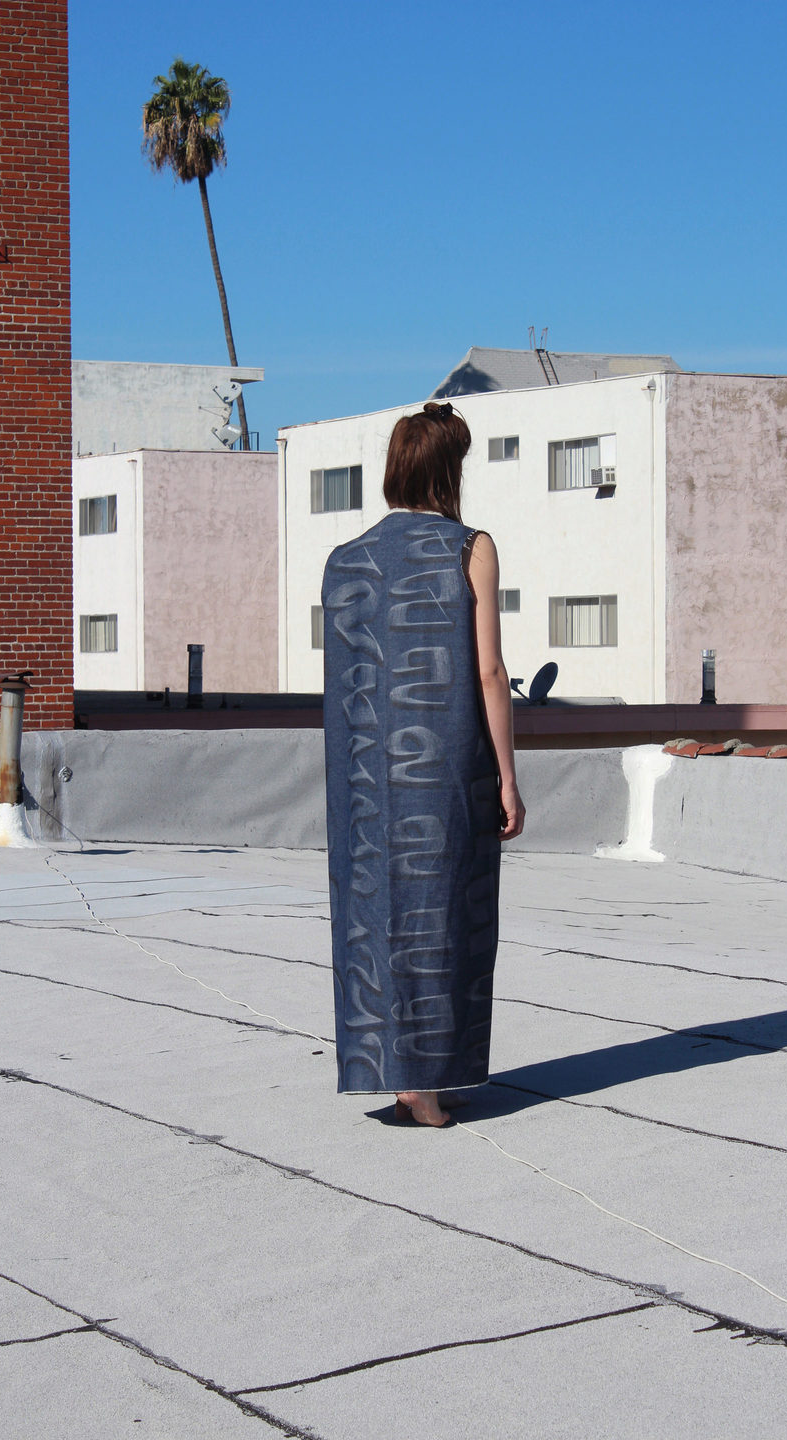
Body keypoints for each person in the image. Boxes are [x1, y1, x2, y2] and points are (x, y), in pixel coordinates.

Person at [321, 401, 525, 1127]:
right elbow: (490, 673)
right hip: (443, 764)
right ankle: (424, 1084)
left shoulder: (345, 559)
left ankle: (394, 1065)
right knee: (445, 912)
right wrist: (506, 773)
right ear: (449, 469)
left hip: (363, 775)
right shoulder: (469, 547)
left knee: (372, 915)